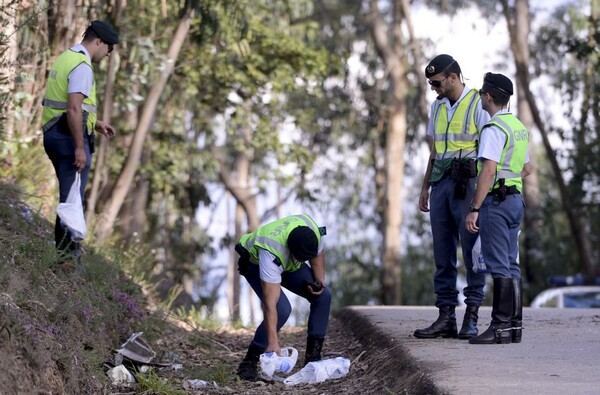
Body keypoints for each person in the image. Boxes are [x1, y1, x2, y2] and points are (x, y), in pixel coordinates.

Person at [414, 54, 490, 340]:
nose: (433, 88)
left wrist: (481, 198)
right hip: (442, 183)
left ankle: (471, 315)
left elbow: (489, 152)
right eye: (430, 83)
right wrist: (425, 187)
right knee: (442, 254)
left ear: (453, 77)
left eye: (436, 82)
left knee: (473, 253)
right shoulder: (437, 106)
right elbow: (434, 151)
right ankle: (446, 315)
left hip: (468, 183)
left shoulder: (477, 104)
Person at [42, 20, 119, 266]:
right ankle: (67, 259)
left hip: (54, 132)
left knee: (69, 196)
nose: (108, 54)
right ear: (98, 41)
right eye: (109, 48)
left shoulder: (67, 57)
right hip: (67, 139)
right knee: (72, 200)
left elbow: (68, 106)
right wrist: (78, 147)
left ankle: (67, 255)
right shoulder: (83, 66)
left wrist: (97, 124)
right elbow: (74, 109)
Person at [465, 73, 531, 345]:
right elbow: (527, 168)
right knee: (511, 264)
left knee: (499, 265)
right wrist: (509, 179)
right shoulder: (517, 127)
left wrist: (475, 207)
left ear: (488, 96)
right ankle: (513, 327)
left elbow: (488, 170)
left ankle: (499, 326)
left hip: (497, 202)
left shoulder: (494, 129)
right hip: (516, 200)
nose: (481, 98)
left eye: (482, 94)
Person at [235, 214, 331, 381]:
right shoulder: (270, 251)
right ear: (293, 252)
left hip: (288, 263)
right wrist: (273, 341)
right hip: (255, 264)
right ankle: (249, 361)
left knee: (324, 295)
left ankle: (313, 359)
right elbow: (270, 303)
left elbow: (318, 253)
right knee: (282, 309)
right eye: (303, 259)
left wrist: (318, 280)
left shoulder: (312, 231)